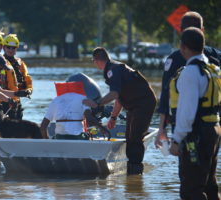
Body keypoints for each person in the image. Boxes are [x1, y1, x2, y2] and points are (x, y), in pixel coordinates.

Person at [83, 47, 157, 175]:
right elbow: (120, 98)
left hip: (143, 103)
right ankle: (132, 180)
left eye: (94, 61)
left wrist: (97, 103)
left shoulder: (113, 70)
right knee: (129, 136)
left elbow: (114, 94)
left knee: (135, 137)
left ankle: (135, 171)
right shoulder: (113, 68)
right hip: (134, 104)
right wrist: (113, 117)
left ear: (96, 60)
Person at [155, 11, 221, 148]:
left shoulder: (175, 60)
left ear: (181, 32)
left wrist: (162, 129)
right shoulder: (217, 58)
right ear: (202, 31)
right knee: (209, 168)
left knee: (190, 167)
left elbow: (167, 95)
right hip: (215, 126)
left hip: (189, 131)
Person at [169, 27, 221, 200]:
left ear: (183, 47)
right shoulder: (213, 69)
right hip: (214, 129)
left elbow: (187, 112)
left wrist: (176, 139)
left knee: (191, 189)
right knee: (209, 184)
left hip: (196, 134)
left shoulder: (190, 72)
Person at [40, 82, 110, 140]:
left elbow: (43, 127)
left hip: (60, 138)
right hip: (78, 138)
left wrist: (47, 141)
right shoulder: (83, 99)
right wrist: (102, 128)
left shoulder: (55, 100)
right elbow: (89, 119)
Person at [2, 34, 33, 119]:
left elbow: (27, 78)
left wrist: (29, 90)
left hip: (17, 101)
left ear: (17, 48)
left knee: (18, 126)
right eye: (8, 47)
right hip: (2, 101)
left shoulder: (20, 63)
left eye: (13, 47)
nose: (11, 50)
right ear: (4, 47)